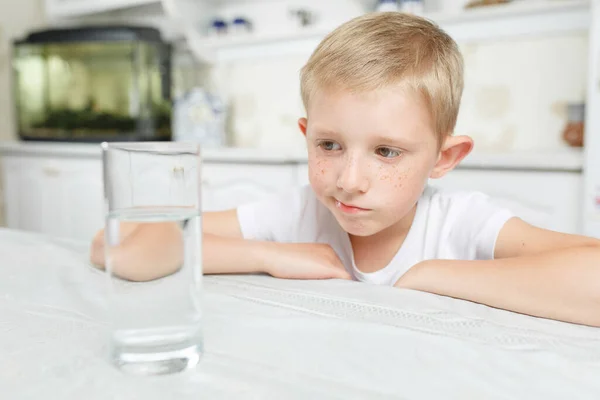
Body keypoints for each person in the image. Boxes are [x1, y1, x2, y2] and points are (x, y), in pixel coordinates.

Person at [90, 12, 600, 327]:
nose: (348, 180)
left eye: (387, 152)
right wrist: (268, 254)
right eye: (329, 144)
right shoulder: (295, 214)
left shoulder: (461, 223)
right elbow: (114, 244)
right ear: (306, 133)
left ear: (444, 158)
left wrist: (431, 275)